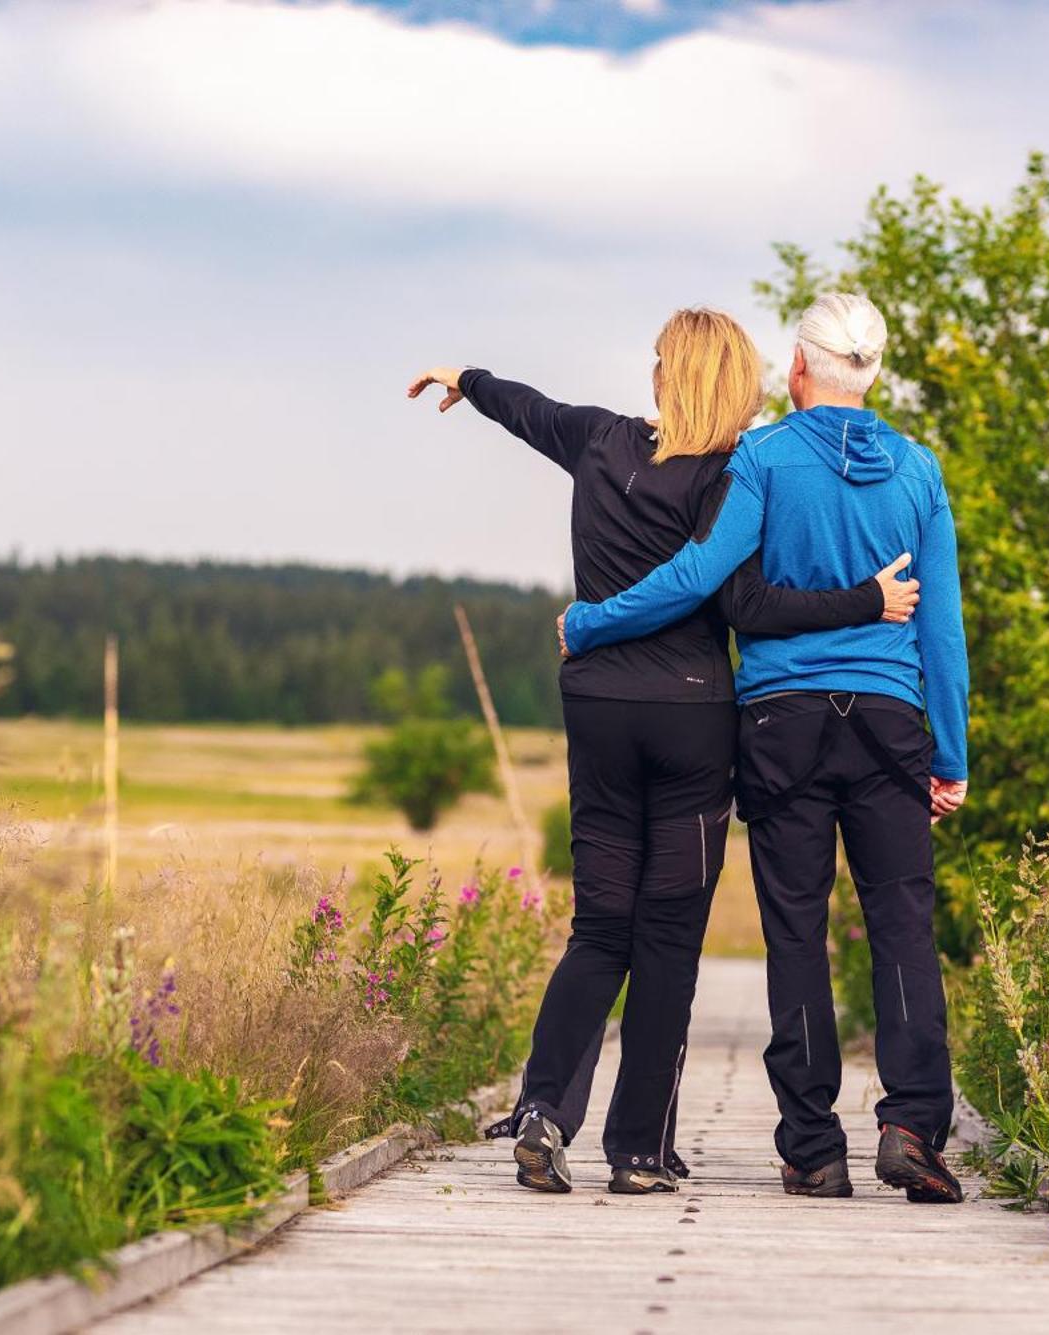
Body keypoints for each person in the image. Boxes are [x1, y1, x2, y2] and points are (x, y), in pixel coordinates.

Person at [405, 308, 918, 1195]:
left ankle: (541, 1110)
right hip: (690, 718)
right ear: (737, 384)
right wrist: (864, 603)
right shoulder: (733, 474)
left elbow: (528, 409)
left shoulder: (598, 441)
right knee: (670, 934)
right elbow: (751, 607)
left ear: (664, 377)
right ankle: (637, 1151)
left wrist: (466, 379)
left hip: (597, 704)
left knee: (600, 924)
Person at [560, 291, 970, 1204]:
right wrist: (952, 753)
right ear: (874, 372)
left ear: (797, 369)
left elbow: (703, 575)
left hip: (782, 723)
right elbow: (941, 627)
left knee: (796, 927)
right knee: (902, 923)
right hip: (893, 719)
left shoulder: (765, 458)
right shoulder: (919, 472)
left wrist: (591, 623)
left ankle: (813, 1146)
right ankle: (911, 1126)